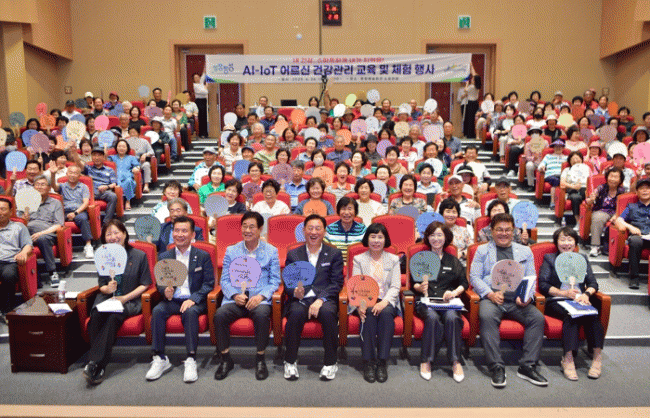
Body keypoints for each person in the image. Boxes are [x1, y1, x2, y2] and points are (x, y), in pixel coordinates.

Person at [469, 213, 547, 388]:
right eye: (499, 230)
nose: (503, 233)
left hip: (517, 299)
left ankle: (528, 366)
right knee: (487, 317)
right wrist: (490, 294)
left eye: (507, 230)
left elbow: (531, 277)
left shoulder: (525, 251)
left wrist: (527, 296)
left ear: (514, 231)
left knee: (537, 318)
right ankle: (496, 366)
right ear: (491, 231)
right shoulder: (482, 250)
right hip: (492, 298)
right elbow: (474, 277)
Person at [146, 216, 214, 383]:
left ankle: (191, 359)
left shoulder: (202, 256)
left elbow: (209, 283)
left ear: (193, 235)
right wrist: (165, 291)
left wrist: (194, 298)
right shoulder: (164, 256)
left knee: (190, 313)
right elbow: (159, 282)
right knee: (157, 311)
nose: (180, 234)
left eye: (184, 231)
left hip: (193, 301)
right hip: (173, 300)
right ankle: (160, 357)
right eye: (176, 230)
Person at [214, 212, 281, 381]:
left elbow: (275, 281)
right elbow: (224, 280)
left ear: (260, 229)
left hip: (258, 299)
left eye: (252, 227)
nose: (247, 230)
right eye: (244, 226)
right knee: (220, 315)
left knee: (262, 315)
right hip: (236, 298)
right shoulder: (232, 250)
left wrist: (261, 297)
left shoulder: (271, 251)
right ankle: (225, 359)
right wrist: (235, 294)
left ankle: (260, 358)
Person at [83, 220, 151, 385]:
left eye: (116, 233)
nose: (113, 237)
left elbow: (145, 284)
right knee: (96, 315)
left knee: (113, 317)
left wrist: (124, 298)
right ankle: (97, 365)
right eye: (108, 234)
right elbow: (101, 284)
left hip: (129, 300)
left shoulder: (139, 256)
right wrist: (107, 288)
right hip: (107, 298)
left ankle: (95, 363)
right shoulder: (103, 255)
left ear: (125, 234)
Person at [538, 226, 604, 381]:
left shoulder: (582, 259)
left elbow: (593, 283)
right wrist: (564, 293)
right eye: (562, 239)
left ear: (575, 243)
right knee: (571, 315)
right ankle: (568, 359)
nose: (566, 243)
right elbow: (543, 284)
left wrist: (586, 294)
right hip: (557, 300)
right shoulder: (550, 258)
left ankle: (597, 357)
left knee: (593, 314)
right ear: (556, 242)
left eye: (570, 239)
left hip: (579, 299)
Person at [283, 214, 344, 380]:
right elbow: (288, 282)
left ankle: (330, 363)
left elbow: (337, 282)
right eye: (310, 228)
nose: (314, 232)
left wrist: (320, 299)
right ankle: (290, 361)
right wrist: (294, 292)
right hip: (301, 298)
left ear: (324, 231)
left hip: (324, 298)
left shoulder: (334, 253)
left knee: (328, 313)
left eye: (318, 228)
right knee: (295, 314)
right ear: (303, 231)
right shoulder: (294, 254)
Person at [412, 222, 467, 382]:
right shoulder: (421, 258)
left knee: (452, 317)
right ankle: (426, 360)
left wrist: (454, 292)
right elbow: (413, 283)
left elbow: (464, 283)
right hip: (426, 301)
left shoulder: (453, 260)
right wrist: (420, 287)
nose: (436, 239)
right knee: (432, 317)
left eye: (439, 235)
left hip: (448, 301)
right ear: (427, 238)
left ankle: (455, 361)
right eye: (432, 235)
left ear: (446, 238)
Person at [351, 223, 400, 383]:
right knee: (369, 315)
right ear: (367, 239)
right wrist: (361, 306)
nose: (376, 240)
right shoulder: (359, 259)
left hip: (386, 299)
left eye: (380, 237)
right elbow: (356, 286)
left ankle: (382, 361)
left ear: (385, 240)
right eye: (373, 236)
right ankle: (368, 362)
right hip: (365, 300)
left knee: (386, 315)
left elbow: (395, 286)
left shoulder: (393, 259)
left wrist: (384, 302)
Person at [17, 175, 64, 286]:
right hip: (27, 232)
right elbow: (18, 222)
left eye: (43, 184)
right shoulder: (26, 201)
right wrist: (24, 219)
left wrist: (41, 233)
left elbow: (59, 225)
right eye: (37, 185)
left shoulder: (55, 203)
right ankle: (30, 278)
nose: (39, 187)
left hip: (47, 233)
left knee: (43, 238)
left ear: (49, 187)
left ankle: (52, 272)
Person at [613, 177, 650, 289]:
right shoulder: (631, 206)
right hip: (638, 237)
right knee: (634, 241)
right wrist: (630, 227)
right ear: (637, 192)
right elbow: (619, 220)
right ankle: (634, 278)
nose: (645, 191)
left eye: (647, 188)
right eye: (642, 188)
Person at [0, 198, 32, 324]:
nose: (0, 212)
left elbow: (28, 245)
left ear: (10, 211)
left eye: (3, 209)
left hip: (9, 262)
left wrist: (23, 253)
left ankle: (7, 311)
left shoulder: (19, 227)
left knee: (8, 276)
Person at [54, 164, 95, 258]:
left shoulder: (83, 187)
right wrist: (53, 174)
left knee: (84, 219)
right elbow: (54, 187)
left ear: (79, 175)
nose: (72, 175)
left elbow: (86, 203)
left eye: (75, 173)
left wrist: (75, 213)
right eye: (70, 173)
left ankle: (88, 245)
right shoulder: (62, 186)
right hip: (64, 211)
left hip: (78, 211)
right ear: (67, 174)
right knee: (54, 221)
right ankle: (60, 248)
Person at [585, 167, 625, 256]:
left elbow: (624, 206)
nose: (613, 179)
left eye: (616, 177)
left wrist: (617, 215)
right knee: (597, 218)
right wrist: (591, 199)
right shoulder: (601, 187)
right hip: (602, 211)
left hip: (616, 212)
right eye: (611, 176)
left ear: (620, 180)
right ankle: (595, 246)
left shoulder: (622, 191)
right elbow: (588, 201)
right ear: (607, 177)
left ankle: (618, 248)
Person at [325, 196, 366, 264]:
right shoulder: (329, 229)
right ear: (338, 211)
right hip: (335, 265)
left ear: (355, 211)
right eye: (343, 209)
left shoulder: (363, 230)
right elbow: (325, 252)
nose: (346, 212)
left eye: (350, 209)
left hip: (357, 265)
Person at [108, 139, 140, 210]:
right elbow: (106, 163)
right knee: (116, 183)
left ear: (127, 148)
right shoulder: (112, 157)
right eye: (119, 146)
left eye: (123, 146)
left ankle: (128, 201)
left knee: (129, 181)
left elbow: (137, 166)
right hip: (115, 179)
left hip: (127, 178)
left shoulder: (131, 158)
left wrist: (136, 168)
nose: (121, 148)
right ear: (116, 147)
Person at [559, 151, 588, 224]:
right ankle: (578, 222)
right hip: (572, 190)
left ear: (581, 160)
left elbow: (592, 181)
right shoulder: (566, 170)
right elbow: (562, 183)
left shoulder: (586, 169)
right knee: (576, 197)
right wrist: (573, 186)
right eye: (573, 159)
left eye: (577, 158)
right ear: (570, 161)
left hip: (585, 189)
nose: (575, 161)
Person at [538, 140, 568, 210]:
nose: (558, 148)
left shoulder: (566, 157)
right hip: (550, 175)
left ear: (563, 148)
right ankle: (552, 202)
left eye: (560, 147)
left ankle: (562, 203)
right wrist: (542, 167)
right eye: (556, 147)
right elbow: (541, 165)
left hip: (562, 175)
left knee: (562, 180)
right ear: (553, 148)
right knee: (556, 180)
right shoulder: (548, 156)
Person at [125, 126, 155, 193]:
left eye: (134, 132)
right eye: (131, 133)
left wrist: (145, 154)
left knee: (146, 165)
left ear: (138, 133)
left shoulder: (144, 141)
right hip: (129, 162)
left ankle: (146, 185)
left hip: (140, 161)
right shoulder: (125, 142)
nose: (132, 134)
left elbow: (152, 152)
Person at [192, 71, 209, 138]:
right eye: (195, 78)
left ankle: (205, 134)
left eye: (198, 77)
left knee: (204, 117)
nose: (197, 78)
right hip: (199, 101)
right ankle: (201, 134)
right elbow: (205, 92)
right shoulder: (195, 85)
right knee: (200, 117)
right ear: (193, 79)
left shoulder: (201, 83)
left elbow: (204, 74)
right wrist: (206, 86)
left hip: (204, 101)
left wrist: (206, 66)